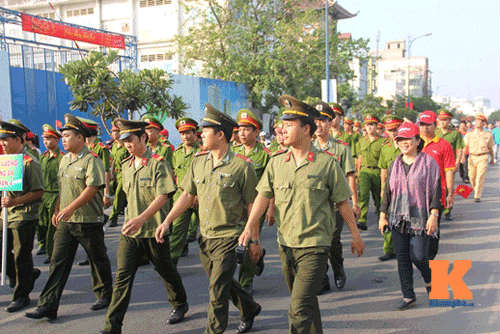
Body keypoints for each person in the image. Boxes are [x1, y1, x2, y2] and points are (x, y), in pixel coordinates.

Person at [239, 95, 364, 334]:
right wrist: (249, 227)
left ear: (307, 129)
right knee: (306, 302)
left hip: (315, 246)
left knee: (297, 308)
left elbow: (342, 203)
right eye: (281, 125)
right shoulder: (277, 163)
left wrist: (355, 235)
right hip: (286, 244)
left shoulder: (326, 163)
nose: (282, 130)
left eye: (288, 125)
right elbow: (262, 197)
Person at [155, 104, 261, 334]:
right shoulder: (198, 162)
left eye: (206, 130)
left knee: (216, 290)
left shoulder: (242, 166)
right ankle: (249, 307)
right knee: (222, 283)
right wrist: (167, 220)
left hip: (229, 235)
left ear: (220, 134)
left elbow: (253, 205)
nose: (201, 134)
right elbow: (187, 195)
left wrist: (253, 239)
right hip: (205, 236)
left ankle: (213, 330)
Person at [101, 119, 188, 334]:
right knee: (122, 277)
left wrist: (141, 218)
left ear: (143, 138)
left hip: (154, 230)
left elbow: (164, 196)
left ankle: (179, 303)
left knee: (165, 269)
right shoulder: (126, 165)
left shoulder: (159, 163)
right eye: (124, 141)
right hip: (130, 233)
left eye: (130, 140)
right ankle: (112, 327)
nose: (127, 144)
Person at [25, 114, 113, 321]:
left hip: (88, 220)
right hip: (66, 221)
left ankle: (105, 295)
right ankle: (48, 305)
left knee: (97, 259)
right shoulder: (64, 160)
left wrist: (70, 208)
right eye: (62, 136)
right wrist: (58, 210)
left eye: (67, 136)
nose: (63, 140)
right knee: (58, 263)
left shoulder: (92, 160)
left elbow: (91, 188)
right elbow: (63, 189)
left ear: (80, 138)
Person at [379, 121, 441, 310]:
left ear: (417, 141)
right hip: (398, 217)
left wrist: (434, 215)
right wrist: (382, 215)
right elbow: (387, 192)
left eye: (408, 139)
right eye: (401, 139)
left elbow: (436, 191)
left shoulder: (428, 163)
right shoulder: (394, 165)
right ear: (396, 142)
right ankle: (408, 295)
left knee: (419, 256)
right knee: (403, 258)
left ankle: (431, 279)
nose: (405, 143)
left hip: (421, 218)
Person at [312, 101, 359, 292]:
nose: (319, 125)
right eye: (316, 120)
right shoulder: (308, 148)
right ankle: (322, 277)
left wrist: (354, 202)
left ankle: (338, 269)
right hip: (315, 204)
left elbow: (350, 176)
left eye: (324, 120)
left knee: (332, 241)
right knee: (317, 242)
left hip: (335, 204)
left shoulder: (341, 148)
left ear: (331, 123)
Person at [0, 120, 43, 312]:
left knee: (21, 256)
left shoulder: (30, 163)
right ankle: (25, 275)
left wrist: (15, 202)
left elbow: (38, 192)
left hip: (23, 216)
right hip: (5, 215)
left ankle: (21, 295)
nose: (2, 144)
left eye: (6, 140)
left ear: (18, 139)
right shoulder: (5, 162)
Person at [232, 109, 271, 295]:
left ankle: (245, 281)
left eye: (247, 129)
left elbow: (270, 185)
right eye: (240, 129)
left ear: (256, 132)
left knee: (247, 241)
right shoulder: (232, 152)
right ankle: (259, 256)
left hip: (256, 206)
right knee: (236, 242)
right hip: (235, 206)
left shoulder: (265, 155)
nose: (242, 133)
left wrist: (270, 208)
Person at [418, 110, 455, 260]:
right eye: (422, 125)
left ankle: (430, 257)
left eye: (428, 125)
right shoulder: (414, 143)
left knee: (433, 229)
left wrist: (450, 194)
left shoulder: (443, 145)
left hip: (436, 194)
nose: (425, 128)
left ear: (435, 125)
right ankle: (421, 256)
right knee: (417, 228)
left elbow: (449, 171)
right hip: (417, 193)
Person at [78, 117, 112, 266]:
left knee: (94, 226)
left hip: (96, 190)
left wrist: (106, 193)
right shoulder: (83, 149)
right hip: (84, 190)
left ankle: (96, 254)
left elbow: (106, 171)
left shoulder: (100, 148)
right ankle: (93, 253)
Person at [169, 117, 201, 265]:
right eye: (182, 133)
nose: (186, 136)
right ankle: (171, 264)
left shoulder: (203, 152)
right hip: (182, 196)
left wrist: (197, 195)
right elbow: (176, 174)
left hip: (200, 197)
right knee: (177, 230)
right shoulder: (177, 153)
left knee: (210, 232)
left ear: (195, 133)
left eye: (189, 132)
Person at [377, 114, 404, 261]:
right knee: (387, 217)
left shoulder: (406, 145)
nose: (393, 133)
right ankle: (389, 249)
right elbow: (383, 169)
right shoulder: (385, 148)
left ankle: (405, 249)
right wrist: (382, 188)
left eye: (395, 129)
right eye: (389, 130)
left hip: (406, 189)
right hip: (390, 188)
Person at [354, 115, 385, 231]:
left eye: (372, 124)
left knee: (378, 196)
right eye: (367, 125)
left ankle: (381, 216)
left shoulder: (383, 142)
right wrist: (357, 173)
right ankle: (362, 219)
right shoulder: (361, 141)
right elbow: (359, 158)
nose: (370, 127)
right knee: (363, 195)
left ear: (376, 126)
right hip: (364, 171)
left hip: (377, 171)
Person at [39, 124, 64, 264]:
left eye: (49, 139)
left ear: (56, 140)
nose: (46, 142)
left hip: (55, 194)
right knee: (42, 222)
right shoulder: (43, 157)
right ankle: (45, 246)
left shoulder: (61, 158)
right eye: (44, 139)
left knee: (51, 225)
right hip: (44, 194)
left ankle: (52, 252)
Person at [436, 109, 464, 221]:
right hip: (436, 164)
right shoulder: (435, 132)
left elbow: (459, 149)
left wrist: (457, 162)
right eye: (441, 120)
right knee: (436, 187)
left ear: (449, 121)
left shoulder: (455, 134)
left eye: (445, 120)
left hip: (449, 165)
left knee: (449, 188)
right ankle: (436, 208)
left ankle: (448, 209)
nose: (443, 122)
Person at [463, 114, 495, 202]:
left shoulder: (488, 135)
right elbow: (464, 147)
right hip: (472, 157)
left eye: (480, 121)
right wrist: (462, 157)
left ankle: (477, 195)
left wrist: (492, 158)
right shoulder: (469, 134)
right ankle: (476, 189)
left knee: (480, 176)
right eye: (476, 120)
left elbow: (490, 148)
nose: (477, 122)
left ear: (484, 123)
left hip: (483, 157)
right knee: (471, 177)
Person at [108, 120, 129, 228]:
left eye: (117, 131)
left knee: (118, 195)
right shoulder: (115, 146)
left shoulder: (127, 145)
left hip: (125, 174)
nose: (114, 134)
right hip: (116, 174)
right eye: (113, 132)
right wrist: (111, 173)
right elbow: (113, 161)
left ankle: (113, 217)